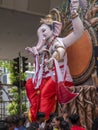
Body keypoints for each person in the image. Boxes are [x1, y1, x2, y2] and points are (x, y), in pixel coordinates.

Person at [25, 0, 84, 122]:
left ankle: (43, 119)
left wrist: (74, 13)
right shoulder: (46, 46)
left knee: (46, 92)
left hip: (59, 78)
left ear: (54, 29)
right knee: (30, 84)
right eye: (40, 33)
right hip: (48, 77)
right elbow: (39, 52)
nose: (42, 36)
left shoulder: (60, 42)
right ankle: (34, 113)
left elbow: (78, 33)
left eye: (44, 31)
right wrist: (35, 52)